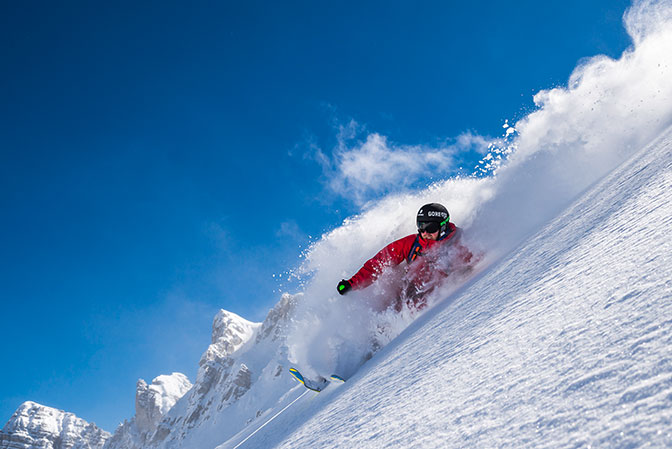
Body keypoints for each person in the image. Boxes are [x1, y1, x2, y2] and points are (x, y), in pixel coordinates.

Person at [336, 203, 474, 311]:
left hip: (441, 300)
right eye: (421, 226)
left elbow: (476, 262)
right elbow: (379, 263)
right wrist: (352, 284)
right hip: (408, 296)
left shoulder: (461, 241)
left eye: (430, 227)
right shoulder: (412, 244)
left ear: (443, 226)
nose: (425, 232)